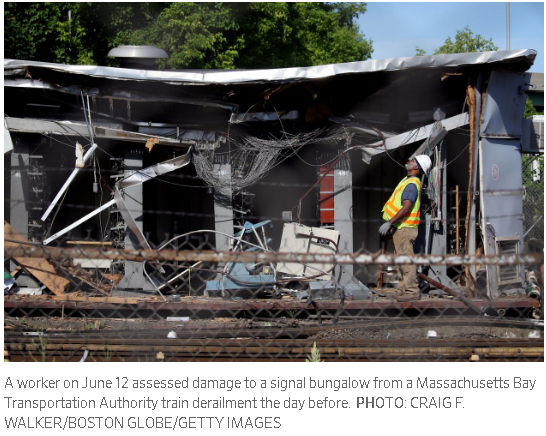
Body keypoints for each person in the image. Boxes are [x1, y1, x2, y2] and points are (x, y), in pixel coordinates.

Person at [379, 154, 432, 302]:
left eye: (413, 160)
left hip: (405, 227)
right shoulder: (407, 181)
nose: (409, 161)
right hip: (401, 227)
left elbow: (406, 207)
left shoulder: (412, 184)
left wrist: (390, 222)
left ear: (416, 167)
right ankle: (402, 290)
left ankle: (411, 291)